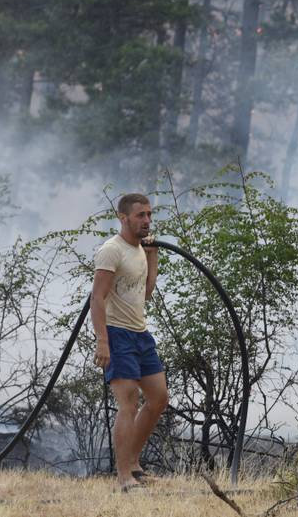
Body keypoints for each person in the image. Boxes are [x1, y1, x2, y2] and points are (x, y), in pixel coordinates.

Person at [91, 193, 167, 491]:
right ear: (123, 218)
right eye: (141, 216)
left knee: (159, 398)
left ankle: (134, 464)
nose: (147, 220)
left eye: (149, 214)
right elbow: (97, 298)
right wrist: (102, 341)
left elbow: (145, 293)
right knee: (128, 403)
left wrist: (152, 255)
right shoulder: (112, 251)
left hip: (140, 333)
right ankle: (123, 477)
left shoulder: (139, 250)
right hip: (117, 333)